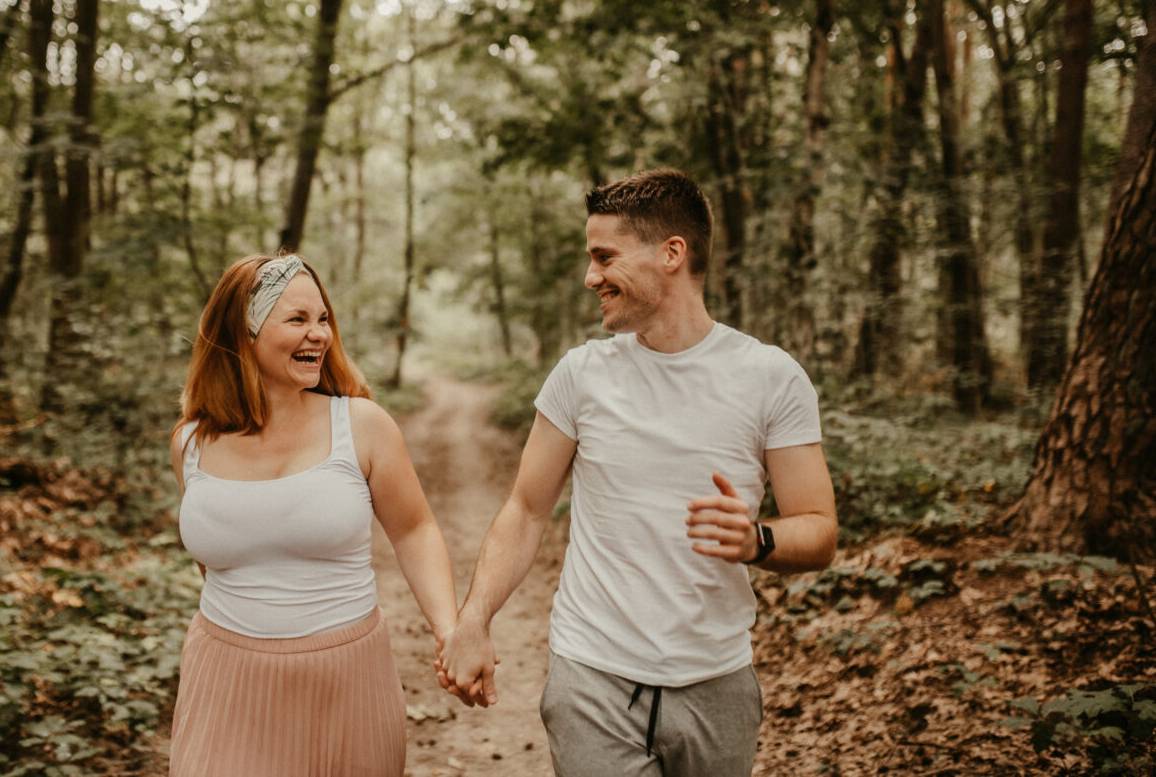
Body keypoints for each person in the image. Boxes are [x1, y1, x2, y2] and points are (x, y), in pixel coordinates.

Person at [438, 168, 838, 776]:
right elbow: (525, 509)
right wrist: (474, 618)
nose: (589, 277)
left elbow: (818, 529)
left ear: (671, 253)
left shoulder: (771, 378)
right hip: (591, 678)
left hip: (717, 683)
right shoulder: (580, 375)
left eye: (604, 257)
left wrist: (758, 540)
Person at [168, 253, 458, 777]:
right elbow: (220, 561)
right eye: (297, 320)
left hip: (345, 679)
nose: (319, 334)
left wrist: (449, 629)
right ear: (244, 333)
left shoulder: (362, 425)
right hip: (226, 678)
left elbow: (415, 530)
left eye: (323, 319)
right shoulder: (191, 443)